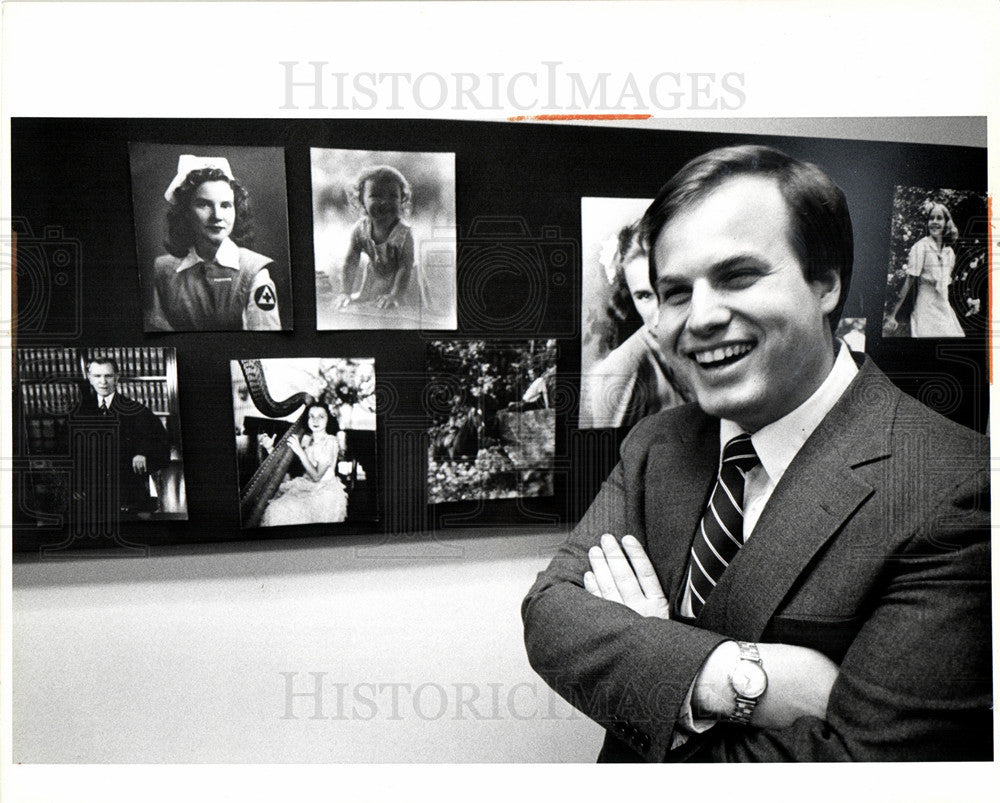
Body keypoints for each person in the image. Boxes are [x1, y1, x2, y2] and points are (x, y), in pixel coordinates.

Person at [522, 145, 990, 761]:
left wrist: (651, 653)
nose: (703, 318)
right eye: (676, 292)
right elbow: (551, 616)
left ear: (825, 283)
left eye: (738, 276)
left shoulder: (959, 490)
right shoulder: (657, 445)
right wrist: (738, 679)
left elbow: (852, 770)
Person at [147, 155, 283, 332]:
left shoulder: (255, 272)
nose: (217, 216)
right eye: (204, 205)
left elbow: (267, 346)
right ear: (185, 212)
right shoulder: (162, 270)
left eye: (226, 205)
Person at [580, 221, 690, 428]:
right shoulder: (620, 373)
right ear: (630, 295)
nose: (659, 313)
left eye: (673, 290)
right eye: (644, 296)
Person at [72, 356, 171, 517]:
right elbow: (68, 453)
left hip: (128, 494)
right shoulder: (79, 414)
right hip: (89, 495)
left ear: (117, 377)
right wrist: (74, 485)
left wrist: (143, 453)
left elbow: (163, 446)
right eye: (97, 376)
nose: (103, 382)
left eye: (108, 376)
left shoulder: (138, 412)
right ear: (89, 378)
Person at [332, 165, 418, 311]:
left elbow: (405, 267)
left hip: (403, 283)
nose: (385, 201)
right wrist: (345, 292)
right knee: (369, 311)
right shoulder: (360, 230)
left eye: (393, 196)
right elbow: (351, 261)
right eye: (376, 195)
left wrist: (396, 295)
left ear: (402, 200)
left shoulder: (403, 233)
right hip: (377, 278)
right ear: (361, 200)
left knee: (403, 314)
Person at [258, 403, 348, 527]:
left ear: (328, 420)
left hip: (324, 493)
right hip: (305, 487)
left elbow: (317, 477)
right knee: (276, 509)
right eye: (311, 416)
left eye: (321, 416)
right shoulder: (306, 440)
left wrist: (299, 451)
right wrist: (270, 448)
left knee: (282, 511)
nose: (315, 420)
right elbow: (285, 466)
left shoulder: (330, 442)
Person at [885, 202, 965, 337]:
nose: (934, 222)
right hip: (926, 310)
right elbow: (909, 282)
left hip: (944, 309)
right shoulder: (921, 247)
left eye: (939, 218)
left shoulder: (949, 252)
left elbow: (944, 286)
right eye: (931, 218)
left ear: (946, 222)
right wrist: (892, 315)